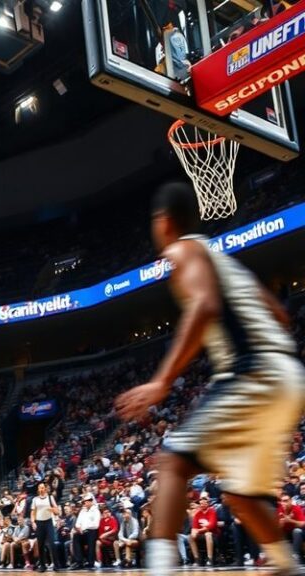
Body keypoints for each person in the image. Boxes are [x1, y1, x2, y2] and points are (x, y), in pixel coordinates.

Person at [116, 181, 305, 576]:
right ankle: (289, 567)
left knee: (173, 464)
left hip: (253, 371)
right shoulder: (224, 261)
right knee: (240, 493)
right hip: (289, 377)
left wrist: (162, 381)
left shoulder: (183, 249)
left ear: (163, 222)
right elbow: (281, 314)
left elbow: (204, 304)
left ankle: (160, 571)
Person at [30, 482, 59, 572]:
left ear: (45, 489)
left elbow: (57, 511)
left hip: (48, 522)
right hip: (39, 523)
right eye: (40, 488)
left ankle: (56, 565)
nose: (42, 489)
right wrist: (33, 522)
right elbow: (33, 512)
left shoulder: (50, 498)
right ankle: (43, 566)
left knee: (52, 543)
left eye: (43, 487)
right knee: (40, 545)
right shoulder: (35, 499)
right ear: (38, 489)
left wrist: (52, 509)